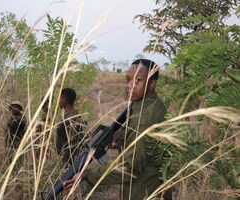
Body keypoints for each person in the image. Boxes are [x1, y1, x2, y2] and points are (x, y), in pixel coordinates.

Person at [64, 59, 172, 199]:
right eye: (128, 80)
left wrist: (87, 174)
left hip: (144, 192)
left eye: (138, 80)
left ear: (152, 84)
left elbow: (130, 169)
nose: (130, 86)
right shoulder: (147, 104)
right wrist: (120, 136)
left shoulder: (144, 118)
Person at [56, 88, 87, 166]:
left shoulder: (70, 118)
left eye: (59, 98)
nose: (58, 101)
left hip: (68, 161)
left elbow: (72, 143)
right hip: (67, 159)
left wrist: (65, 162)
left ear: (64, 99)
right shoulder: (72, 115)